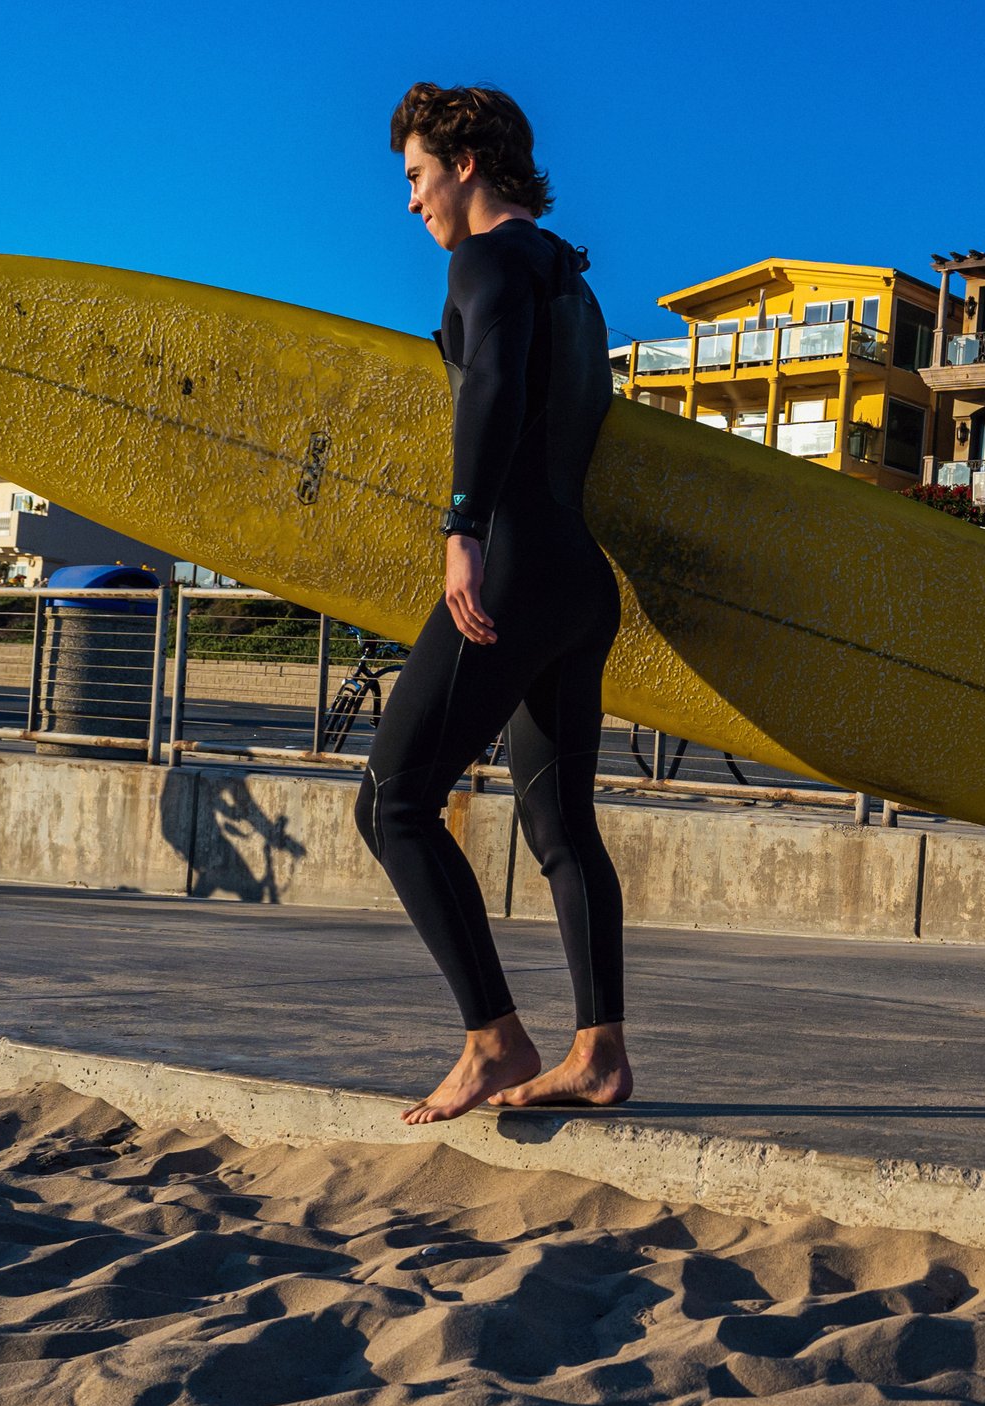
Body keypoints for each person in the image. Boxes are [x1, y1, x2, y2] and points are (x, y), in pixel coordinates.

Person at [358, 82, 632, 1123]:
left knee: (390, 801)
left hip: (512, 564)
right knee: (560, 823)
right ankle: (598, 1053)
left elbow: (493, 388)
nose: (413, 201)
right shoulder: (572, 279)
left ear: (465, 163)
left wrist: (461, 531)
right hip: (579, 576)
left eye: (419, 176)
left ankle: (494, 1039)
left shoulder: (487, 260)